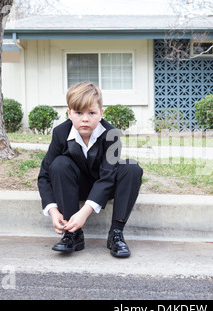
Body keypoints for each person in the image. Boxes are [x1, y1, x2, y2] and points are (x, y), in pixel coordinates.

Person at [37, 81, 143, 258]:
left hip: (104, 186)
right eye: (78, 113)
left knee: (132, 168)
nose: (85, 118)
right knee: (59, 164)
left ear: (101, 114)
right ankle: (72, 233)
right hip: (75, 186)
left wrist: (84, 213)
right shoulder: (60, 133)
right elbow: (45, 176)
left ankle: (116, 234)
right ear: (69, 114)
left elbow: (108, 177)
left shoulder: (112, 135)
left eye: (91, 113)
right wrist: (53, 211)